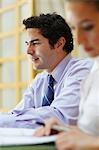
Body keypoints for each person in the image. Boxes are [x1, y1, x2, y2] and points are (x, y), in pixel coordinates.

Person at [0, 13, 92, 128]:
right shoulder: (40, 80)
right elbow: (16, 114)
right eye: (27, 44)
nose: (28, 51)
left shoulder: (83, 70)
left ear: (59, 44)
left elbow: (60, 117)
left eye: (35, 43)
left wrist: (9, 119)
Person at [34, 0, 99, 149]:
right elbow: (92, 131)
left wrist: (93, 143)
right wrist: (66, 130)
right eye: (73, 28)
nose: (80, 40)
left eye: (88, 27)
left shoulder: (81, 69)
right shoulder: (95, 68)